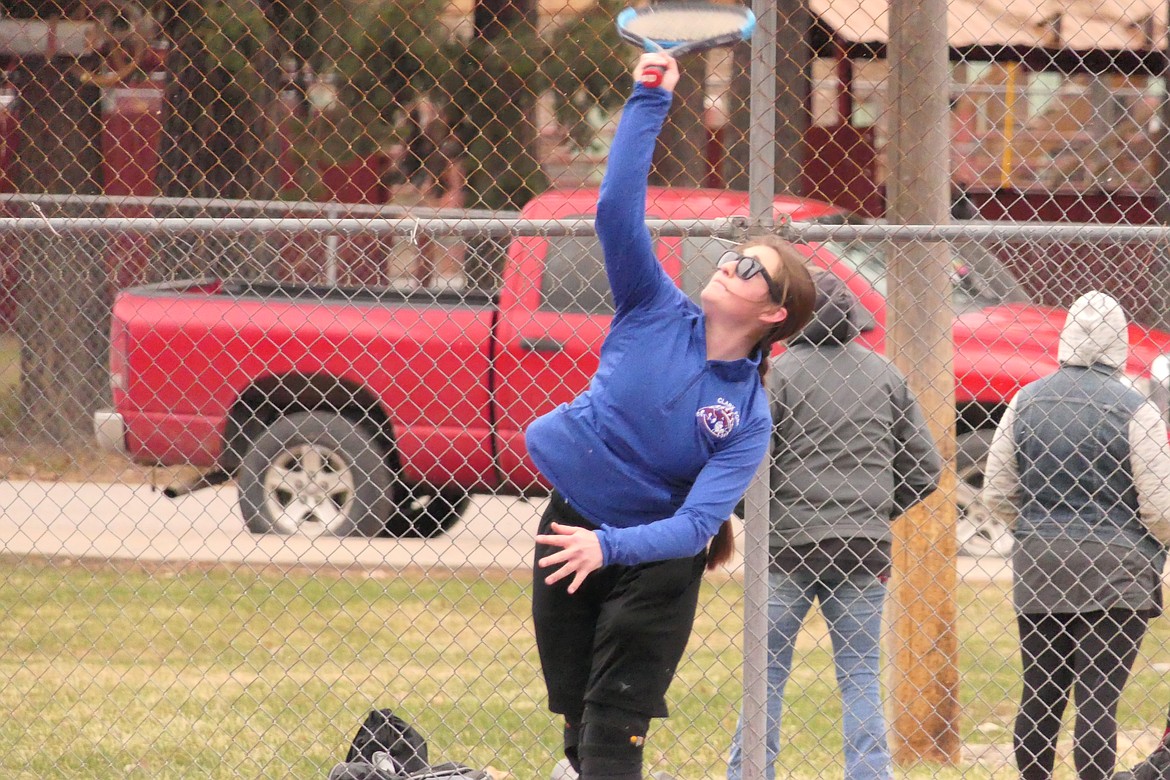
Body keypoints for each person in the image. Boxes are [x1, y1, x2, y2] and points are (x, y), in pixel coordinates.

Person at [526, 52, 818, 780]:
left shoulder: (748, 415)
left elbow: (694, 528)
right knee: (573, 719)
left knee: (611, 734)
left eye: (754, 269)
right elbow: (614, 209)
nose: (732, 264)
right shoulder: (652, 306)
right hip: (569, 526)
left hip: (654, 565)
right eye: (734, 253)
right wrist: (649, 96)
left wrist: (610, 549)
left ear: (774, 314)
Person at [725, 270, 943, 780]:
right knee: (861, 673)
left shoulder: (777, 374)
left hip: (786, 545)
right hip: (863, 546)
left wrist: (760, 516)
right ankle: (869, 773)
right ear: (854, 318)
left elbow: (748, 463)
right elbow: (927, 467)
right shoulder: (885, 374)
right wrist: (876, 510)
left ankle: (748, 773)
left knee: (767, 675)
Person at [982, 290, 1170, 780]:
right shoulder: (1137, 409)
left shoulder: (1024, 400)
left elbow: (997, 491)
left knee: (1040, 689)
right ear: (1120, 343)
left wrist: (1037, 530)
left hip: (1041, 563)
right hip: (1118, 569)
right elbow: (1160, 507)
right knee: (1097, 695)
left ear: (1066, 337)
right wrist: (1152, 544)